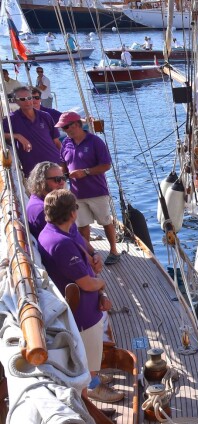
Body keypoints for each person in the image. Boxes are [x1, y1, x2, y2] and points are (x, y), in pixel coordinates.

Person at [38, 189, 122, 403]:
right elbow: (85, 283)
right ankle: (92, 390)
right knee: (89, 355)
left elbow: (84, 250)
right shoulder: (61, 243)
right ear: (73, 213)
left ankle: (91, 380)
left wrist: (93, 256)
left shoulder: (53, 232)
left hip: (81, 307)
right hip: (83, 315)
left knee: (88, 354)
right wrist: (102, 283)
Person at [57, 111, 121, 265]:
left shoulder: (95, 142)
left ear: (77, 125)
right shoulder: (66, 143)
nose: (65, 130)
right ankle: (86, 253)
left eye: (66, 127)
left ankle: (114, 250)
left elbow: (106, 165)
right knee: (82, 224)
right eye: (63, 128)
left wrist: (85, 172)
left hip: (97, 191)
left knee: (105, 221)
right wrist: (62, 175)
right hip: (77, 193)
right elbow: (63, 163)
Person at [26, 161, 103, 273]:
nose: (62, 183)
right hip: (70, 268)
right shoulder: (41, 210)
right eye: (57, 179)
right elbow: (65, 243)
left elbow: (75, 234)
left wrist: (93, 253)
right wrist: (91, 263)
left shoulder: (54, 203)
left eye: (63, 178)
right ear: (41, 182)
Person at [2, 86, 61, 177]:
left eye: (30, 98)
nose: (28, 101)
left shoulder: (45, 116)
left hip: (55, 166)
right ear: (16, 101)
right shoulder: (11, 120)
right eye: (22, 99)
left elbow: (56, 142)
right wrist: (17, 136)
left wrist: (64, 163)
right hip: (33, 172)